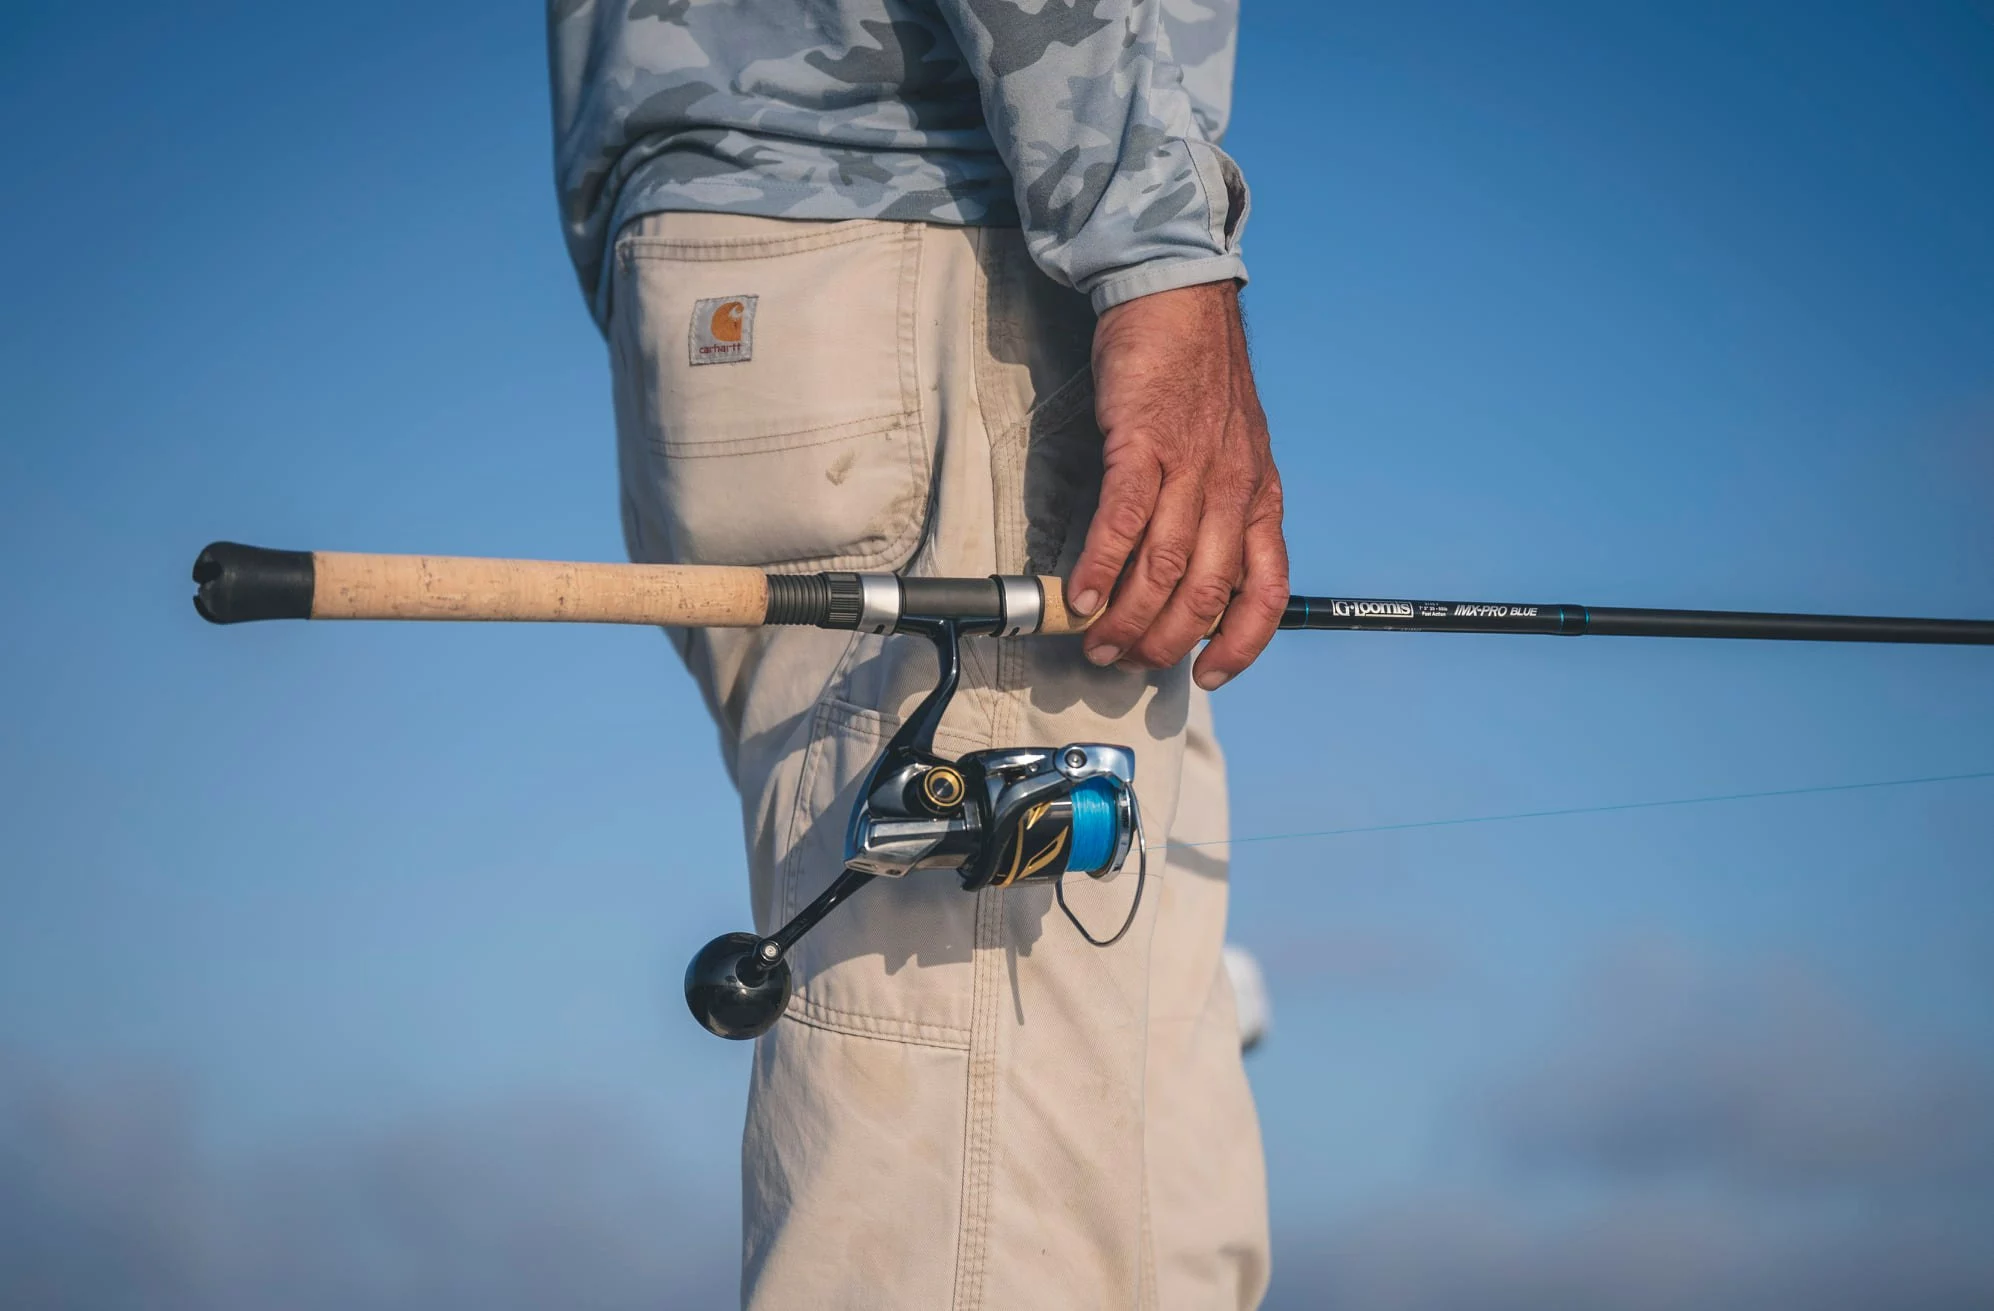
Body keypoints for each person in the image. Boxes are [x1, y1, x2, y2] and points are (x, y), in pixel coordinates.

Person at [549, 2, 1285, 1306]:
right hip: (935, 260)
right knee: (1004, 1171)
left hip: (758, 295)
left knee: (1097, 1127)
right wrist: (1159, 253)